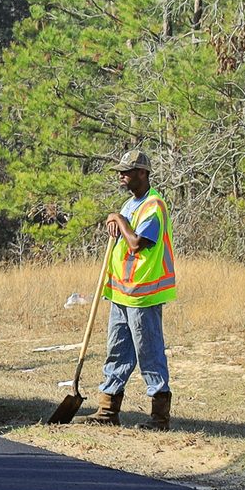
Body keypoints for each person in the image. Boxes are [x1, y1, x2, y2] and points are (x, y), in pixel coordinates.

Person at [82, 150, 176, 430]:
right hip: (122, 292)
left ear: (143, 173)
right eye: (121, 171)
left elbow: (137, 243)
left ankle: (160, 417)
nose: (121, 175)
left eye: (128, 171)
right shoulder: (129, 205)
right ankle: (107, 411)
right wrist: (115, 222)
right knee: (117, 351)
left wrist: (118, 220)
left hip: (144, 293)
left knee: (149, 352)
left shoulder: (153, 206)